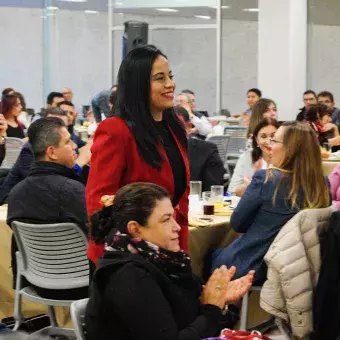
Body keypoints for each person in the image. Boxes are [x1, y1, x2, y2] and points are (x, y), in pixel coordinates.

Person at [85, 182, 254, 340]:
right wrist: (212, 308)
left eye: (173, 217)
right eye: (166, 220)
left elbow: (195, 321)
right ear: (135, 229)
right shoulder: (127, 274)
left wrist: (221, 302)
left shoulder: (164, 260)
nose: (177, 227)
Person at [86, 45, 190, 268]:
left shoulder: (175, 127)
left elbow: (182, 194)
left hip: (169, 248)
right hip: (127, 259)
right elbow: (99, 201)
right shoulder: (116, 130)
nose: (170, 84)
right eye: (159, 78)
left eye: (170, 76)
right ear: (138, 85)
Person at [211, 121, 331, 284]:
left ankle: (220, 307)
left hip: (257, 265)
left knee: (211, 255)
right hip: (301, 270)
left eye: (274, 140)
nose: (269, 145)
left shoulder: (266, 179)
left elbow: (238, 224)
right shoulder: (322, 185)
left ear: (291, 149)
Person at [7, 117, 89, 299]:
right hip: (83, 286)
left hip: (37, 284)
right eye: (68, 141)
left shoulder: (16, 193)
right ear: (52, 152)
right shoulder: (73, 191)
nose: (75, 146)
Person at [0, 108, 92, 205]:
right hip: (13, 202)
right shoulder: (32, 148)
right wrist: (78, 164)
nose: (74, 146)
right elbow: (44, 187)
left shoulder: (68, 140)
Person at [175, 106, 225, 191]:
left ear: (189, 126)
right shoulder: (155, 151)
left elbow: (212, 190)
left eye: (176, 124)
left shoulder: (207, 151)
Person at [228, 118, 279, 196]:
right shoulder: (246, 157)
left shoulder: (286, 159)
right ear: (257, 140)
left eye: (273, 136)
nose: (269, 140)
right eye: (263, 136)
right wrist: (250, 185)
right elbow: (231, 192)